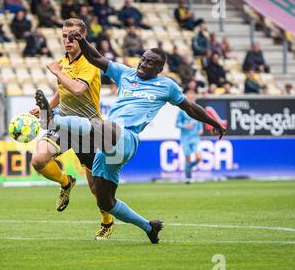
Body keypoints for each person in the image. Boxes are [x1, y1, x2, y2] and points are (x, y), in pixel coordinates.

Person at [34, 30, 226, 244]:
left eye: (150, 63)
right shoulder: (125, 73)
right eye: (143, 59)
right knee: (106, 202)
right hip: (108, 147)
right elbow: (96, 58)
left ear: (160, 69)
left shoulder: (167, 86)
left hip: (126, 139)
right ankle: (149, 227)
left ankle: (53, 121)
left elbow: (189, 107)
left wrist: (213, 122)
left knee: (105, 126)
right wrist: (82, 40)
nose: (143, 64)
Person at [29, 18, 115, 240]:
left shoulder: (90, 63)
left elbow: (76, 89)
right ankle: (66, 182)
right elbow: (63, 92)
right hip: (63, 123)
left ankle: (107, 222)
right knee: (38, 160)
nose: (67, 40)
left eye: (72, 36)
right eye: (64, 36)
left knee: (96, 188)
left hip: (88, 129)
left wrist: (58, 72)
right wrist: (47, 106)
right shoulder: (63, 62)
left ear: (82, 37)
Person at [175, 90, 203, 183]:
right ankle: (188, 177)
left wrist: (200, 128)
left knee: (198, 157)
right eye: (189, 95)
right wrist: (184, 126)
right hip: (185, 138)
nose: (191, 96)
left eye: (193, 95)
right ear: (187, 97)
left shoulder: (197, 108)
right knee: (188, 157)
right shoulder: (182, 110)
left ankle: (189, 167)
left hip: (195, 137)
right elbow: (177, 123)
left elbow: (200, 119)